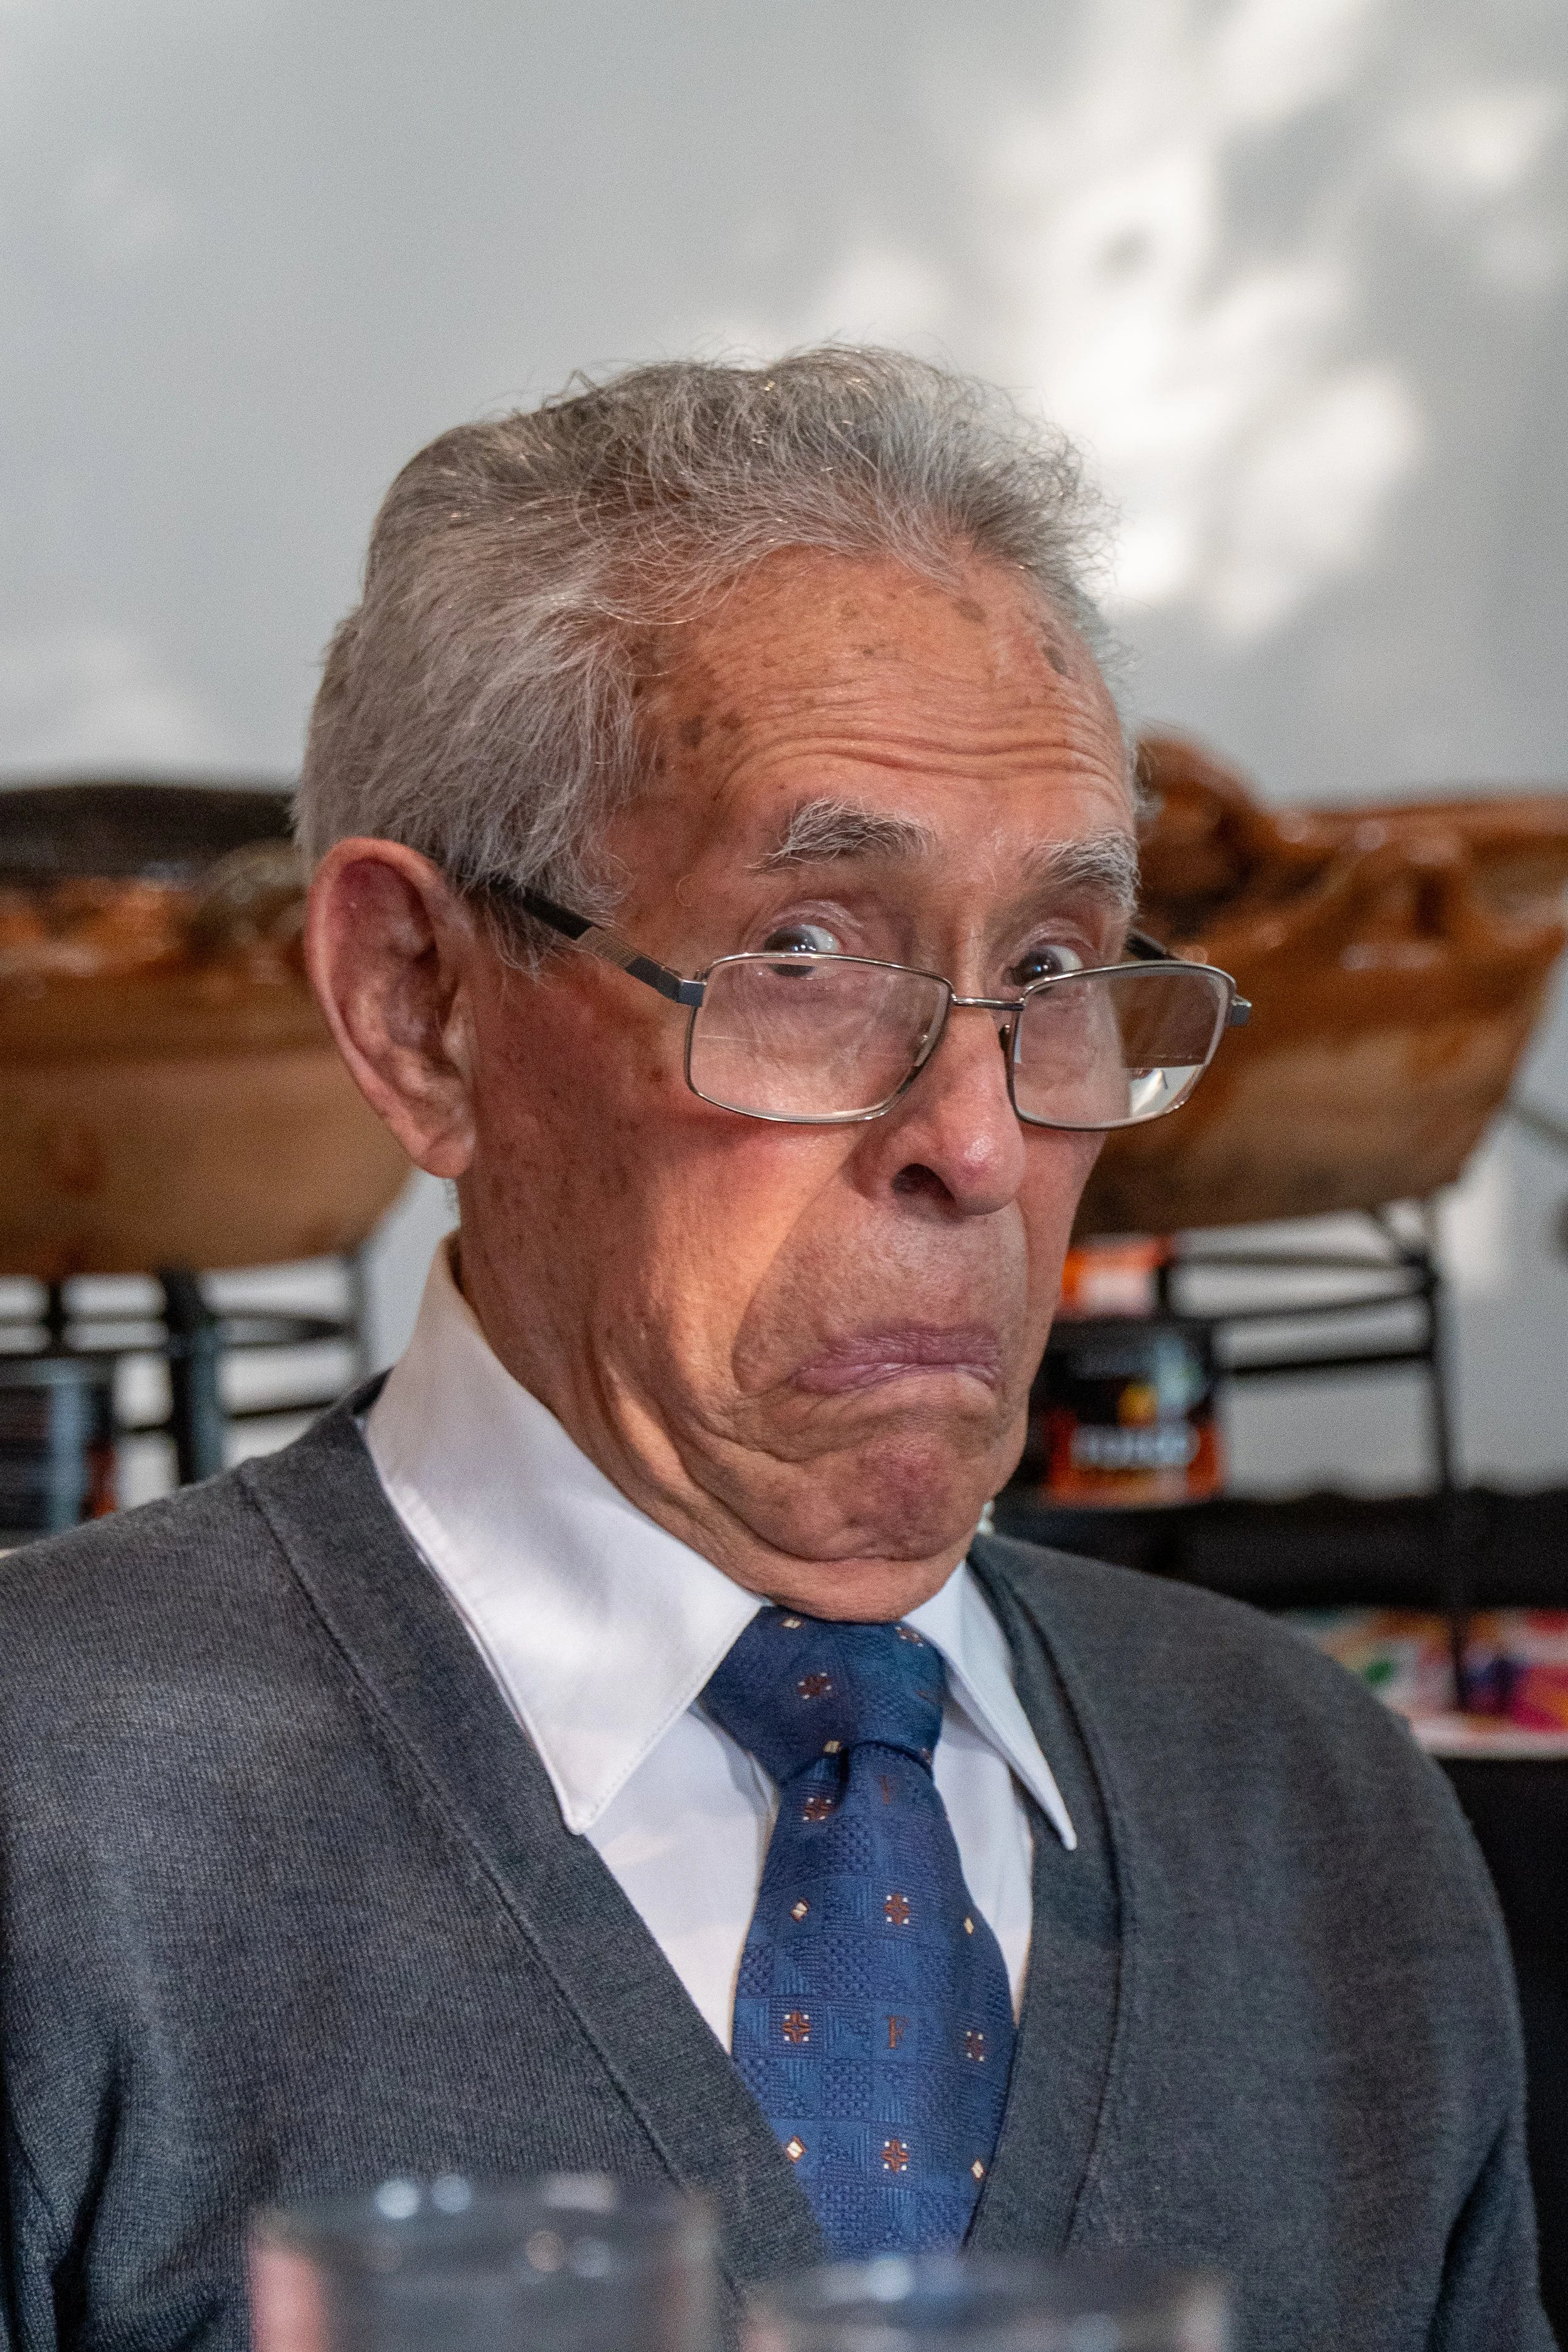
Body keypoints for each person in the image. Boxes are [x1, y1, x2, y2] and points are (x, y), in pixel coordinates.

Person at [0, 351, 1549, 2352]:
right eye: (806, 950)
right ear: (418, 1004)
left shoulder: (1309, 1803)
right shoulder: (54, 1809)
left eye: (1052, 967)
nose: (976, 1139)